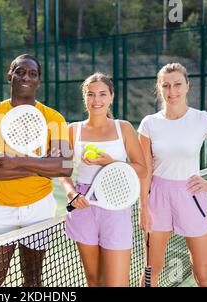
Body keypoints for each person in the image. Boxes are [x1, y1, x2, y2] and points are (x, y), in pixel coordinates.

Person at [137, 63, 207, 287]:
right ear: (159, 88)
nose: (172, 91)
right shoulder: (149, 124)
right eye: (166, 85)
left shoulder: (202, 119)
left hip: (191, 196)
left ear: (187, 86)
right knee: (151, 272)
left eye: (177, 84)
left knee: (203, 275)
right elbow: (145, 171)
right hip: (157, 199)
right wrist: (143, 207)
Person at [0, 54, 72, 287]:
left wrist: (14, 161)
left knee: (33, 281)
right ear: (10, 76)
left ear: (38, 80)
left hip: (39, 209)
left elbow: (64, 166)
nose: (26, 77)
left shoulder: (55, 119)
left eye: (32, 73)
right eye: (20, 71)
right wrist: (41, 166)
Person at [58, 72, 147, 287]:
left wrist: (111, 163)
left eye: (102, 94)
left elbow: (142, 169)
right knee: (94, 281)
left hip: (116, 205)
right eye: (90, 94)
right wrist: (71, 194)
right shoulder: (72, 130)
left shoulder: (123, 127)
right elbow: (63, 171)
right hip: (83, 206)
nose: (96, 100)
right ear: (84, 98)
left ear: (111, 97)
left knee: (116, 284)